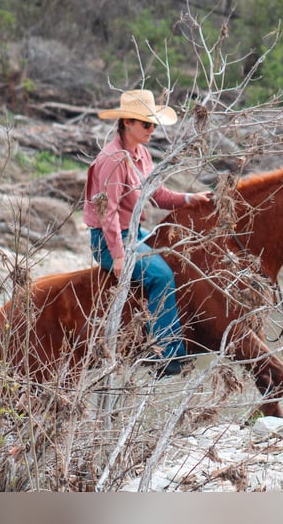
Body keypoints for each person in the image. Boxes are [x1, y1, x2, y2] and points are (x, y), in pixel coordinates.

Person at [83, 89, 210, 377]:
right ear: (127, 122)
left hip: (135, 232)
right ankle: (165, 354)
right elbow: (108, 212)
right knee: (163, 276)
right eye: (146, 124)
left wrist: (190, 199)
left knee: (179, 257)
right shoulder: (114, 160)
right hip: (109, 240)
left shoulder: (141, 154)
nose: (152, 130)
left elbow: (158, 194)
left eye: (153, 124)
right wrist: (117, 256)